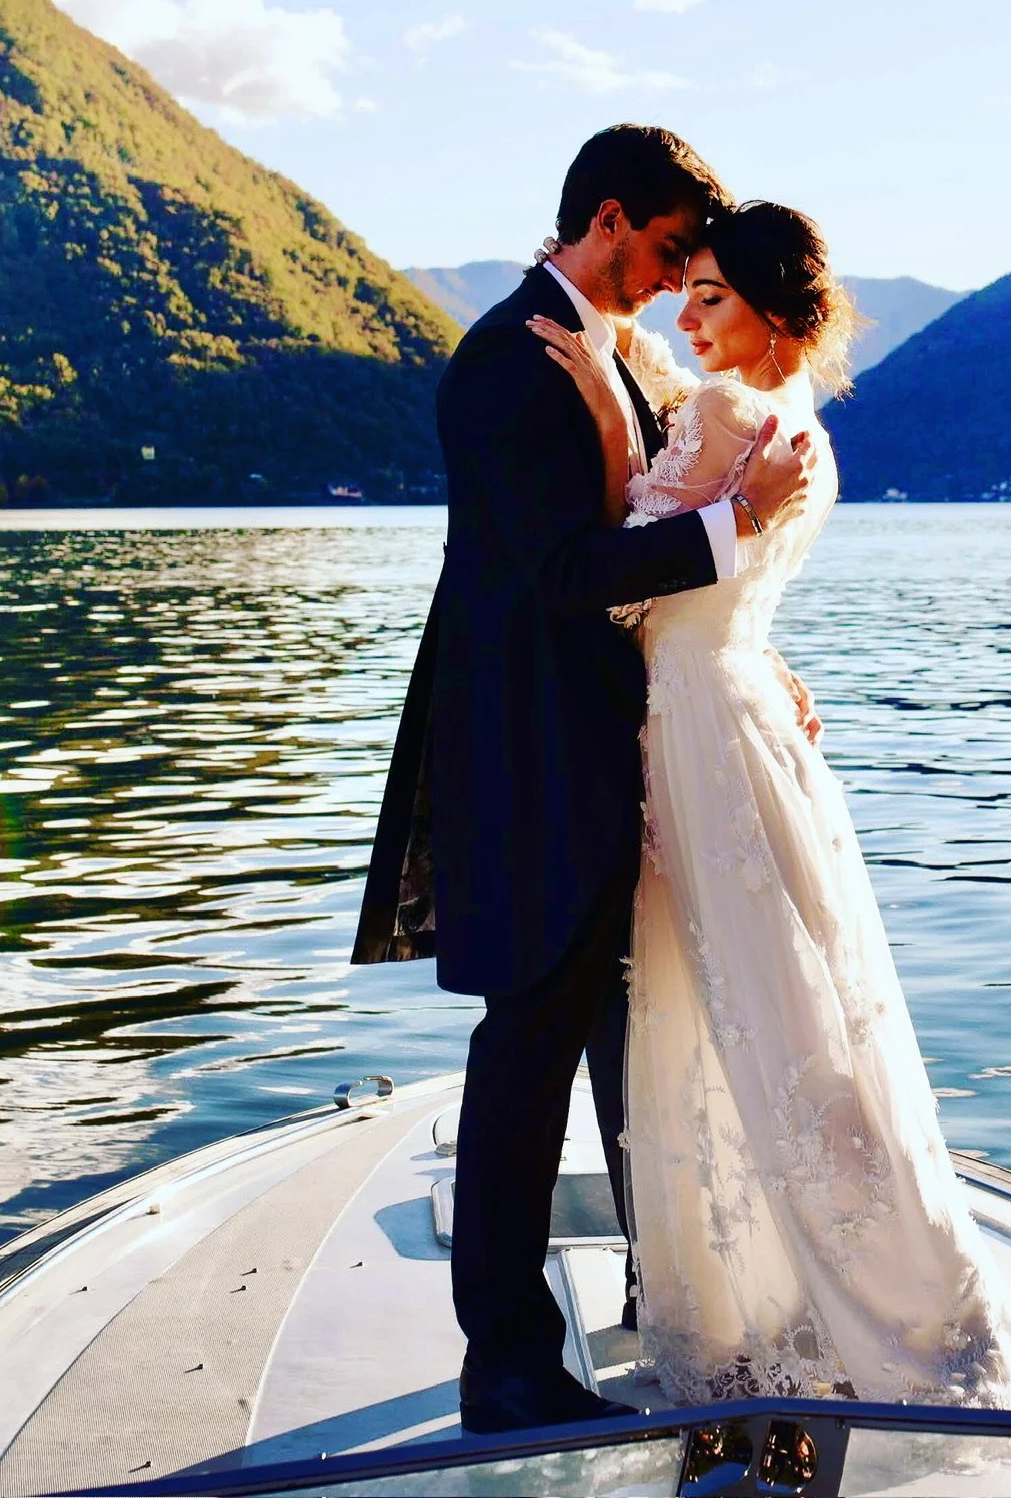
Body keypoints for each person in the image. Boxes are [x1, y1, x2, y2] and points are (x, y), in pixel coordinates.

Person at [530, 200, 1011, 1409]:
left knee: (725, 1018)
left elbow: (617, 592)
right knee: (797, 1018)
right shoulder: (800, 423)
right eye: (684, 291)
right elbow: (727, 587)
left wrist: (607, 414)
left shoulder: (717, 414)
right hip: (748, 713)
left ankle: (765, 1310)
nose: (687, 314)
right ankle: (866, 1295)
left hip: (701, 732)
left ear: (770, 306)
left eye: (710, 294)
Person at [352, 127, 817, 1435]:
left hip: (625, 751)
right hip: (532, 762)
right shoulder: (506, 364)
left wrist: (749, 657)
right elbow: (563, 574)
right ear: (608, 218)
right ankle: (502, 1362)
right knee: (530, 1043)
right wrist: (734, 530)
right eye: (670, 252)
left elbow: (639, 529)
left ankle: (670, 1305)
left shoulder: (610, 354)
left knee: (635, 1038)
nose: (678, 283)